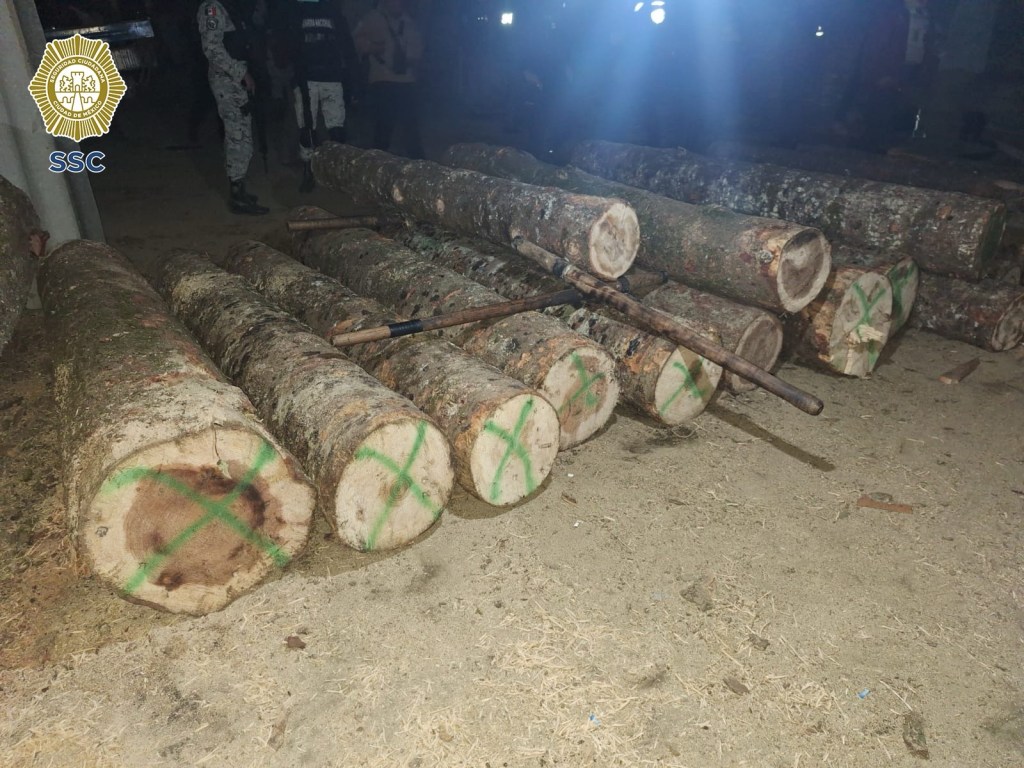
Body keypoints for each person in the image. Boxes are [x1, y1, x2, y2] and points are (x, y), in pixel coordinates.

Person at [197, 0, 269, 214]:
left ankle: (240, 188)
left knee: (242, 133)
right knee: (237, 135)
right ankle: (237, 195)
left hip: (236, 80)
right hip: (227, 80)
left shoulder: (232, 7)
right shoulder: (212, 8)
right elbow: (212, 49)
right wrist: (241, 73)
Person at [282, 0, 359, 192]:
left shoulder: (334, 12)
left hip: (332, 78)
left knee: (337, 128)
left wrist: (353, 82)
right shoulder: (295, 12)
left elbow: (347, 46)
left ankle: (338, 171)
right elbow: (287, 45)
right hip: (305, 80)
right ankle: (309, 170)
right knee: (307, 129)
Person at [354, 0, 424, 158]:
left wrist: (410, 59)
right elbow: (356, 39)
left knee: (411, 128)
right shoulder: (372, 18)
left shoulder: (409, 21)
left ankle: (419, 162)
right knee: (383, 128)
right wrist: (373, 47)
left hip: (406, 81)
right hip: (382, 80)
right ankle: (376, 162)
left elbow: (418, 49)